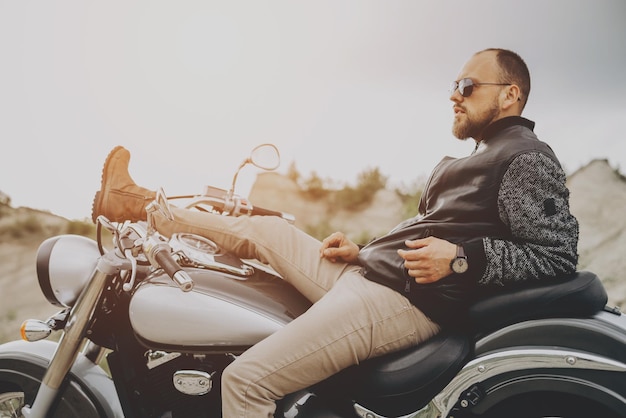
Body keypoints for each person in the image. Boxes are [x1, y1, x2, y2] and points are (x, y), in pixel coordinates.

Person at [91, 48, 579, 417]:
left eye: (468, 85)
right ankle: (138, 206)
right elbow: (426, 229)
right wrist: (363, 251)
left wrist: (461, 258)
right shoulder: (474, 157)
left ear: (510, 94)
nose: (454, 93)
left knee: (246, 382)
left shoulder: (525, 158)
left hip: (402, 302)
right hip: (369, 275)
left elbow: (558, 256)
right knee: (264, 230)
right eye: (455, 83)